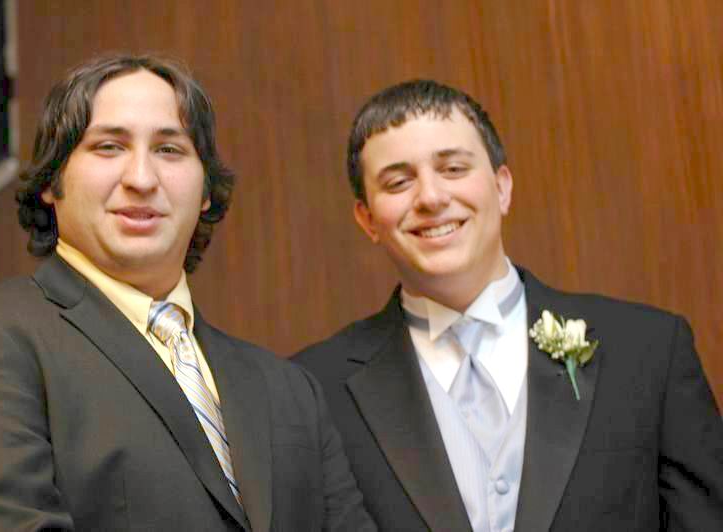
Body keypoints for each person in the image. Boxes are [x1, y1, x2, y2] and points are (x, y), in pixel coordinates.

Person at [0, 54, 374, 532]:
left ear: (205, 190)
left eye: (170, 150)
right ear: (52, 181)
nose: (141, 178)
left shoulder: (291, 389)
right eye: (109, 146)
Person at [294, 79, 723, 531]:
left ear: (502, 187)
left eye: (453, 168)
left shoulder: (649, 352)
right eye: (399, 182)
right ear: (367, 219)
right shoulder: (312, 391)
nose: (431, 198)